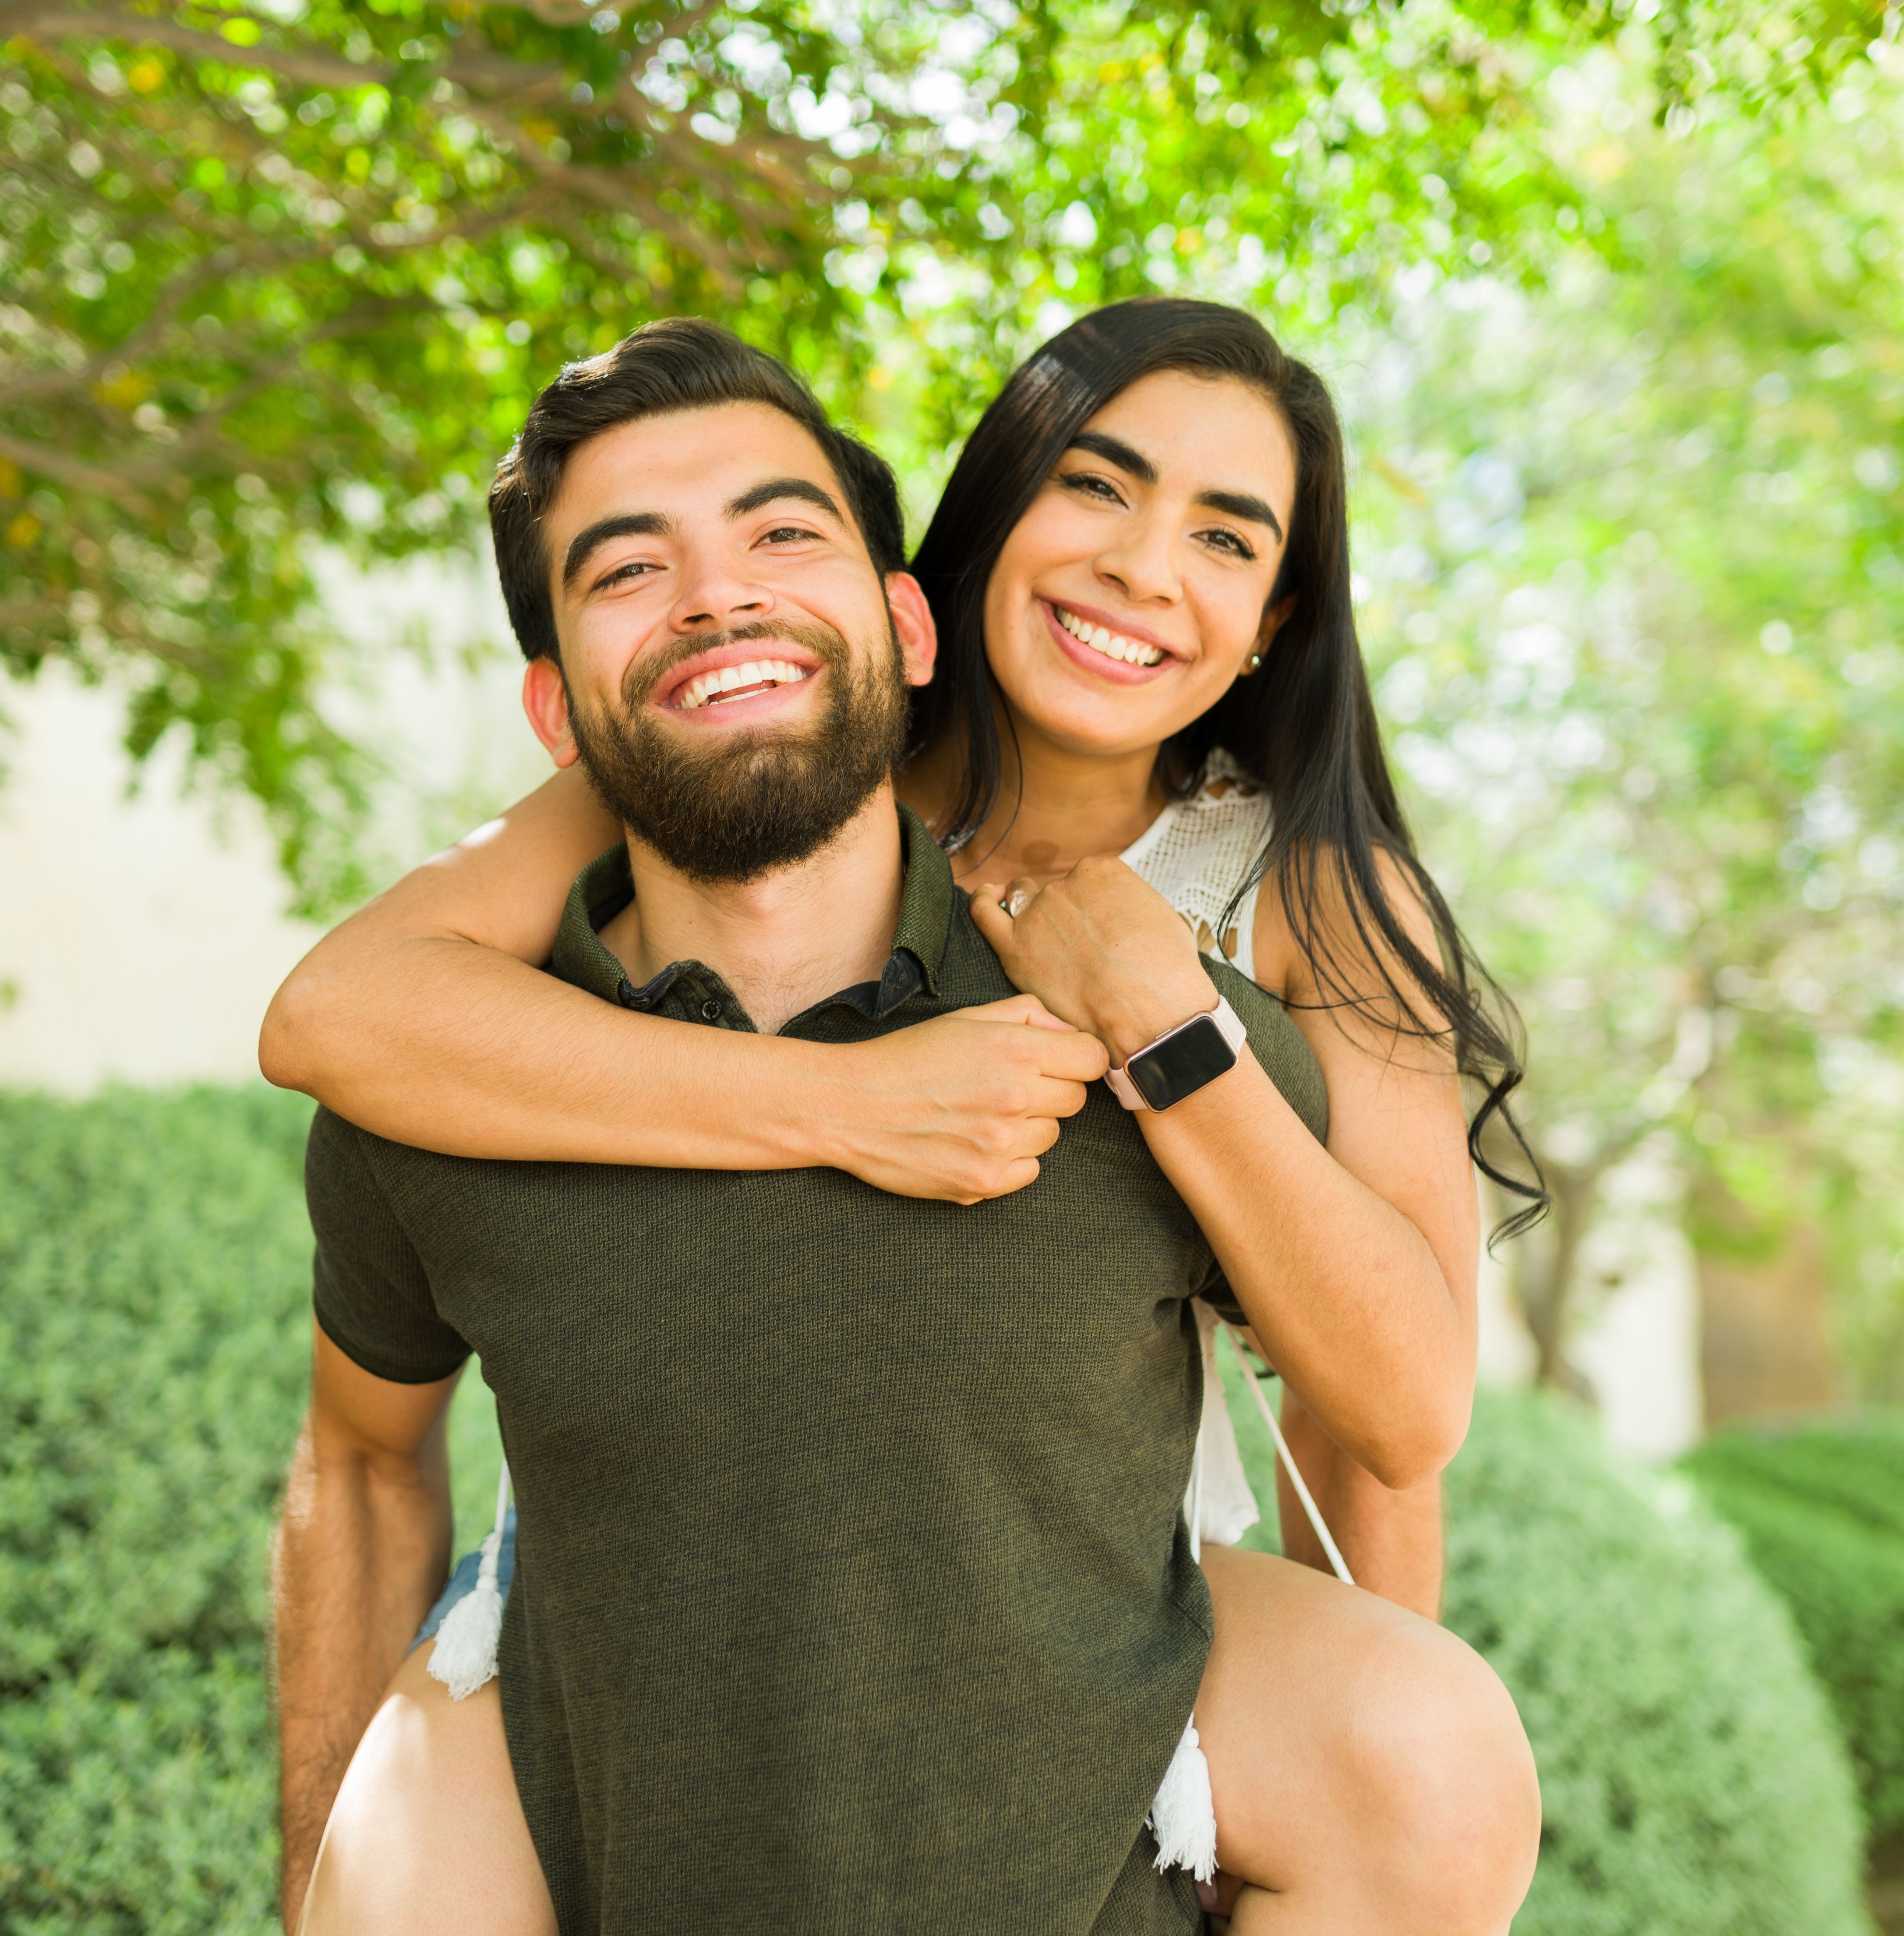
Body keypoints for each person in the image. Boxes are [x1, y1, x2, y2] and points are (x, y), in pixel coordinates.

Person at [268, 311, 1540, 1932]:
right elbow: (334, 1013)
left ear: (1271, 625)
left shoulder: (1300, 895)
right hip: (628, 1588)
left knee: (1419, 1751)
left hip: (1063, 1570)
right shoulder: (753, 727)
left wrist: (1164, 1023)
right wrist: (852, 1100)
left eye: (1226, 537)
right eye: (1100, 487)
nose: (1146, 568)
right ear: (974, 541)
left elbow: (1392, 1422)